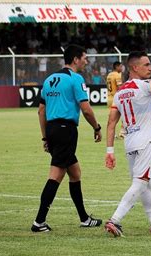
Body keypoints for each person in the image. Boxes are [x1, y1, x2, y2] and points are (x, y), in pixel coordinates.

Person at [31, 44, 103, 232]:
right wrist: (97, 127)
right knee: (56, 175)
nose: (86, 61)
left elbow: (41, 111)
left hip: (53, 130)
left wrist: (45, 137)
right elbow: (86, 109)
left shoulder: (49, 80)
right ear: (76, 59)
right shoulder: (76, 79)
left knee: (75, 173)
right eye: (84, 57)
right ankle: (39, 222)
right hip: (66, 130)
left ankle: (84, 218)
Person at [104, 45, 151, 237]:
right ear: (134, 68)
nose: (150, 68)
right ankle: (114, 220)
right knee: (140, 183)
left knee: (146, 183)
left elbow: (111, 123)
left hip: (130, 142)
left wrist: (110, 151)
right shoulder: (143, 86)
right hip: (146, 142)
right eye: (146, 65)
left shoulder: (119, 93)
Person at [106, 61, 125, 138]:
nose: (121, 68)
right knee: (125, 114)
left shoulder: (109, 75)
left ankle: (112, 133)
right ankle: (123, 132)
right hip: (116, 98)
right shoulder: (117, 75)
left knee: (112, 118)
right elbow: (119, 87)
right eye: (120, 66)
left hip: (109, 98)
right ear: (116, 67)